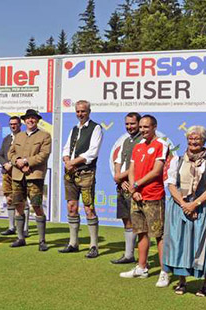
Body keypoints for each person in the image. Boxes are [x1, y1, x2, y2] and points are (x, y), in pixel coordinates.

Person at [163, 126, 206, 297]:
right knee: (179, 243)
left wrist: (194, 204)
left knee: (203, 244)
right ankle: (182, 282)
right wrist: (184, 204)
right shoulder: (177, 160)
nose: (194, 141)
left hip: (203, 207)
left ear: (204, 141)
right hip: (180, 206)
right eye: (191, 138)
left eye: (198, 139)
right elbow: (171, 185)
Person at [120, 115, 170, 287]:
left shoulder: (161, 145)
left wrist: (136, 185)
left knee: (159, 235)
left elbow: (157, 171)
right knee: (141, 232)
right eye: (140, 127)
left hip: (153, 196)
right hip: (137, 196)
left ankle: (164, 272)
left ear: (154, 127)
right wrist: (134, 190)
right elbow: (132, 169)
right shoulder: (138, 146)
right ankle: (142, 267)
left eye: (146, 127)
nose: (142, 130)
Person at [60, 100, 103, 258]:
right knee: (71, 206)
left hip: (85, 173)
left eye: (83, 111)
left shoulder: (96, 128)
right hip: (70, 173)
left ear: (89, 111)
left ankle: (93, 246)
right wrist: (66, 161)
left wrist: (72, 162)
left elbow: (92, 153)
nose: (80, 114)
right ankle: (73, 243)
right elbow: (66, 149)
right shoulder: (74, 129)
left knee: (88, 208)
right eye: (78, 111)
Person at [8, 109, 51, 251]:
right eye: (28, 118)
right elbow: (11, 153)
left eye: (33, 118)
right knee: (18, 205)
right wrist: (17, 161)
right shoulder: (18, 136)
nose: (30, 121)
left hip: (34, 176)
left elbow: (43, 155)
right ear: (24, 121)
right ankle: (20, 238)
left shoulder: (45, 135)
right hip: (17, 175)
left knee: (37, 206)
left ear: (37, 120)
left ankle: (42, 240)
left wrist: (26, 162)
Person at [111, 112, 142, 264]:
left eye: (132, 124)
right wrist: (119, 178)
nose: (129, 127)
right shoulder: (125, 140)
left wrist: (121, 176)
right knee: (126, 220)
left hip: (134, 186)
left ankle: (141, 259)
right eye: (127, 124)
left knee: (138, 221)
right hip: (122, 185)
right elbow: (118, 161)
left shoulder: (143, 141)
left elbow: (137, 166)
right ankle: (129, 255)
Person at [0, 116, 28, 237]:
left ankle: (25, 229)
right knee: (9, 199)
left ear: (20, 125)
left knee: (22, 200)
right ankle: (11, 227)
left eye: (15, 124)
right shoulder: (6, 139)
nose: (13, 126)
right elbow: (0, 155)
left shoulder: (25, 137)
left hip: (20, 172)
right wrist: (5, 164)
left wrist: (13, 164)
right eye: (11, 124)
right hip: (7, 173)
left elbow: (25, 155)